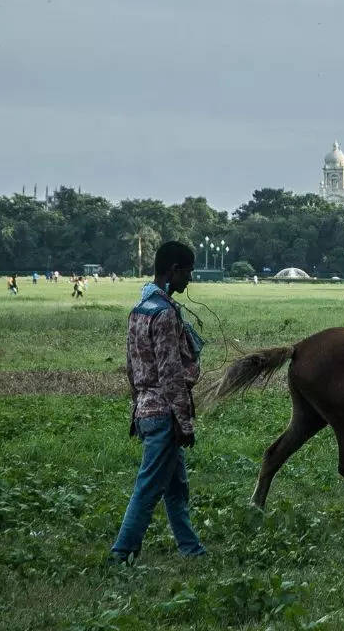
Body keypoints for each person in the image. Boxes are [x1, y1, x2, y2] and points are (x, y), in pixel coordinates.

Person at [110, 241, 205, 563]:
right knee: (149, 486)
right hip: (165, 413)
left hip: (146, 409)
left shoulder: (139, 309)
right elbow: (170, 373)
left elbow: (130, 366)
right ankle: (122, 551)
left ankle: (191, 550)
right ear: (174, 270)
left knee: (177, 488)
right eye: (188, 271)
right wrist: (185, 423)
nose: (190, 280)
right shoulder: (164, 314)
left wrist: (138, 405)